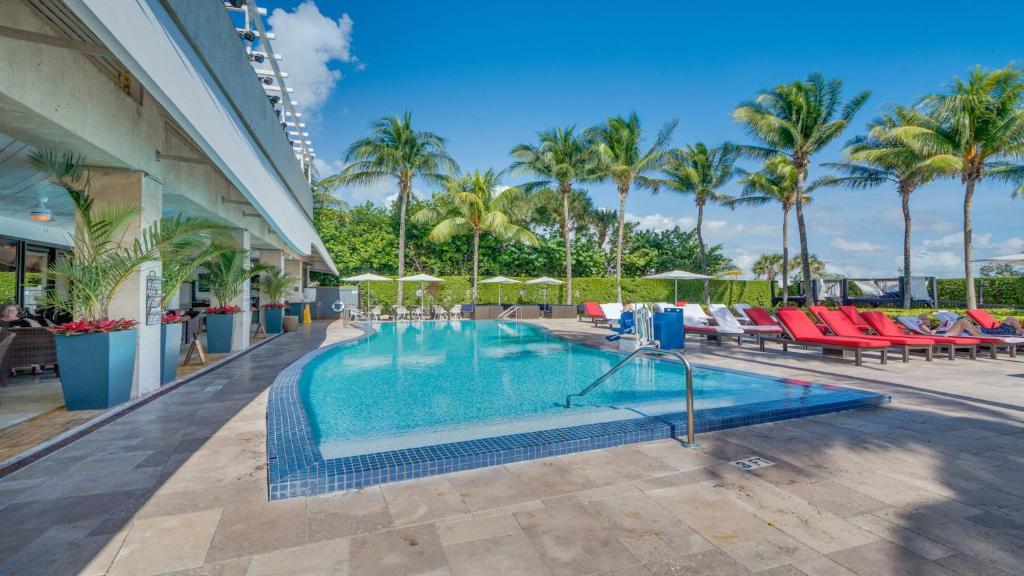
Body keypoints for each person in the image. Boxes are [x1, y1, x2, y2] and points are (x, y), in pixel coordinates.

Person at [0, 303, 43, 375]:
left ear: (17, 312)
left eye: (11, 311)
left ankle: (11, 367)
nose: (8, 312)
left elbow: (33, 333)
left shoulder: (24, 322)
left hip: (23, 345)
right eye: (6, 310)